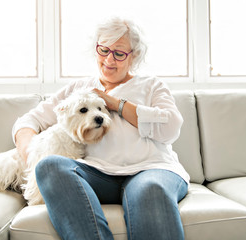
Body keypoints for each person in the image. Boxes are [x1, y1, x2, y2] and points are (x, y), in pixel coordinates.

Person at [12, 17, 190, 240]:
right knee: (49, 166)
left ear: (133, 56)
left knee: (149, 189)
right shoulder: (79, 88)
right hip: (96, 173)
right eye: (103, 50)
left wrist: (114, 103)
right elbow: (28, 121)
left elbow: (171, 127)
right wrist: (31, 154)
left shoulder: (152, 85)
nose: (108, 59)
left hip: (151, 169)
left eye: (119, 53)